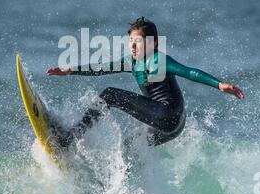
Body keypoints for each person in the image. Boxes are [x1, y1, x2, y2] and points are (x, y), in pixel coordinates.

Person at [46, 17, 244, 147]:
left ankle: (69, 138)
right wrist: (69, 70)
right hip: (174, 127)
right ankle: (119, 189)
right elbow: (100, 68)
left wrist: (219, 84)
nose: (133, 45)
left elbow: (189, 72)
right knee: (130, 146)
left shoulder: (159, 60)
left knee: (109, 95)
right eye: (131, 40)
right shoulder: (131, 61)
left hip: (167, 114)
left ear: (154, 43)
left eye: (139, 41)